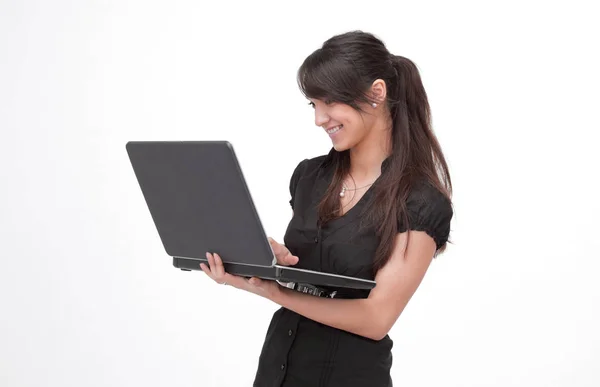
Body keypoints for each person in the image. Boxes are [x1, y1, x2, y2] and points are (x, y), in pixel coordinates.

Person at [200, 30, 454, 387]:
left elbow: (376, 318)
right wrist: (266, 264)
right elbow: (310, 275)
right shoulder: (310, 176)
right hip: (277, 371)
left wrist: (276, 292)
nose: (319, 119)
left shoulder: (420, 201)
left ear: (376, 94)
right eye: (313, 105)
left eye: (329, 102)